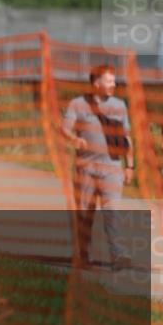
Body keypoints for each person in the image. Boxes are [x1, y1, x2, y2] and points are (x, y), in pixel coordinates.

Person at [60, 65, 134, 270]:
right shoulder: (77, 104)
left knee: (112, 212)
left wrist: (130, 165)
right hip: (86, 168)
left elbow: (126, 137)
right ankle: (84, 256)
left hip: (112, 167)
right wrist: (74, 139)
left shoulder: (120, 105)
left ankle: (118, 256)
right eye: (110, 81)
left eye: (114, 81)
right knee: (85, 214)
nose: (114, 85)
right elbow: (64, 129)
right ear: (96, 83)